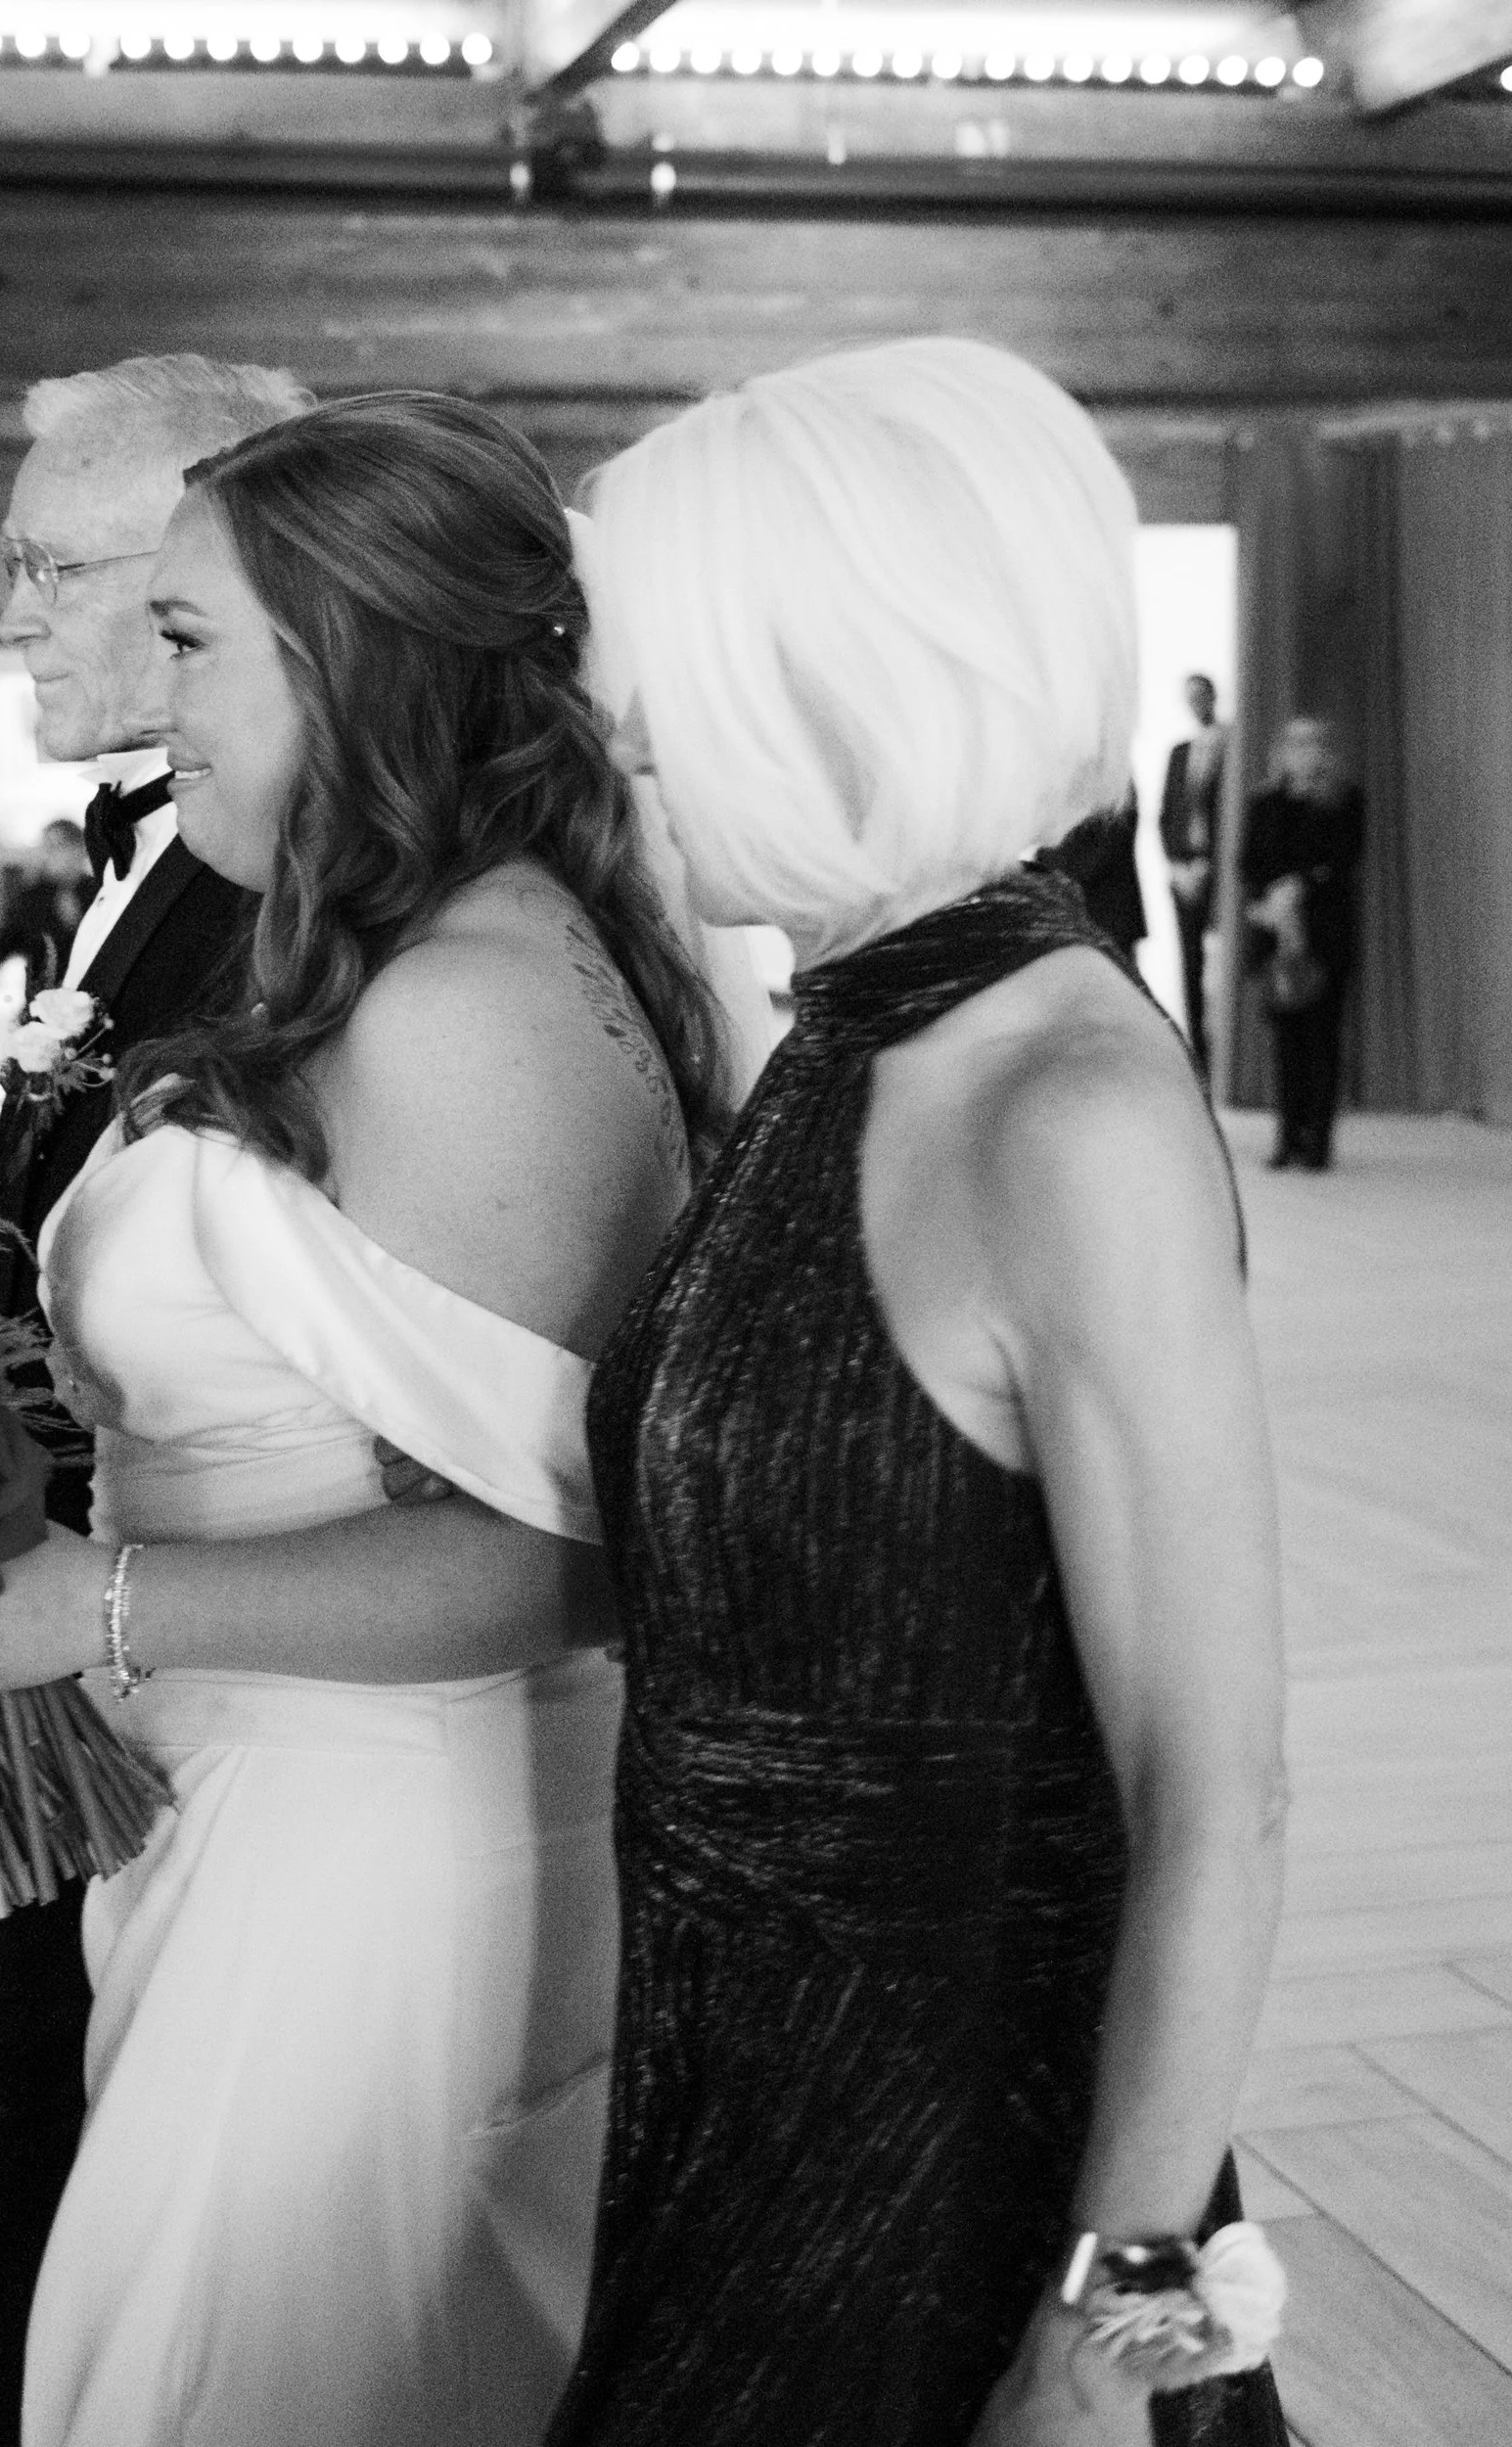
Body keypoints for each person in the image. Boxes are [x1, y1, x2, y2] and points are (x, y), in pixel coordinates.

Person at [0, 392, 739, 2447]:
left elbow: (578, 1558)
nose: (157, 695)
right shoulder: (386, 950)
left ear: (352, 655)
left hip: (376, 1862)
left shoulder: (465, 1003)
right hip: (251, 1807)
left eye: (189, 636)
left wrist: (79, 1606)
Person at [554, 338, 1288, 2447]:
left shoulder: (1062, 1103)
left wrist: (1105, 2333)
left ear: (840, 679)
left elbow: (1215, 1793)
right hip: (741, 2093)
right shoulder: (845, 1034)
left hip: (950, 2137)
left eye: (665, 685)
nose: (622, 736)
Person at [0, 354, 308, 2447]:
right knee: (47, 2129)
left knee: (83, 2185)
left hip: (206, 1657)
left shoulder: (293, 893)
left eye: (53, 568)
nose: (9, 615)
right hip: (86, 1633)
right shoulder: (153, 851)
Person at [1240, 717, 1362, 1173]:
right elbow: (1248, 861)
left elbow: (1345, 859)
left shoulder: (1344, 800)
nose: (1303, 753)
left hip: (1324, 933)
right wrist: (1271, 894)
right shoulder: (1265, 802)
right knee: (1286, 1039)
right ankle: (1287, 1136)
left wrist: (1302, 885)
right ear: (1282, 752)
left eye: (1311, 745)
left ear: (1325, 753)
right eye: (1294, 745)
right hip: (1276, 933)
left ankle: (1318, 1141)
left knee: (1322, 1037)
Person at [1160, 674, 1227, 1075]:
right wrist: (1176, 865)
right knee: (1190, 963)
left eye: (1200, 696)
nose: (1195, 704)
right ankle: (1198, 1055)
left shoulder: (1231, 746)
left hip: (1219, 870)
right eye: (1189, 699)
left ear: (1213, 697)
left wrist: (1212, 862)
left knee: (1222, 959)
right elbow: (1166, 815)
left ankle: (1225, 1051)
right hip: (1184, 870)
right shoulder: (1179, 753)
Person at [1040, 778, 1148, 959]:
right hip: (1104, 914)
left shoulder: (1108, 785)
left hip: (1107, 914)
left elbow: (1088, 858)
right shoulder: (1108, 783)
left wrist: (1036, 858)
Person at [0, 815, 94, 1001]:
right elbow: (2, 949)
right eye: (45, 847)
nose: (48, 854)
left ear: (79, 849)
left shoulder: (99, 892)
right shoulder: (29, 897)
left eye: (57, 846)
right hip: (41, 999)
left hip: (90, 997)